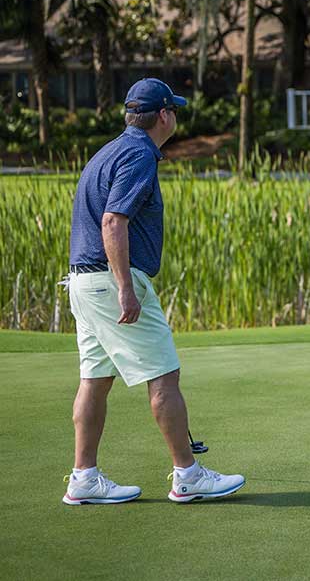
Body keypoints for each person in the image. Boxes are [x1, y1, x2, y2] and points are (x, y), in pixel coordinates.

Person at [63, 78, 245, 505]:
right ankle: (188, 476)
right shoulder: (139, 154)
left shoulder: (109, 151)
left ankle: (83, 478)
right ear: (163, 115)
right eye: (174, 110)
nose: (176, 116)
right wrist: (126, 287)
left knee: (95, 379)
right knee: (164, 375)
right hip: (111, 282)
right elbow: (113, 221)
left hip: (84, 282)